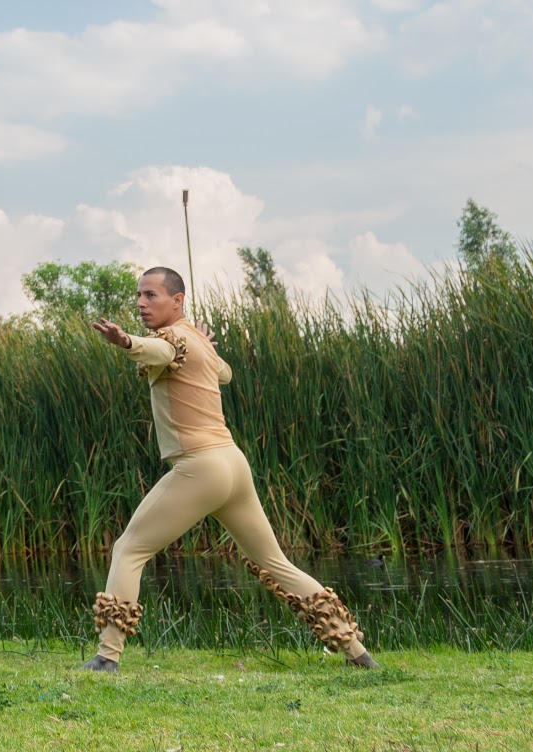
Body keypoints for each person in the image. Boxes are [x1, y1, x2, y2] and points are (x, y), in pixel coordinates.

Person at [83, 267, 375, 673]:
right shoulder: (194, 339)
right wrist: (203, 342)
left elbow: (159, 352)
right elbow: (224, 373)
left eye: (151, 295)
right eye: (139, 295)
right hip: (233, 466)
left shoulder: (172, 339)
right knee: (276, 563)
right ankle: (357, 651)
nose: (141, 302)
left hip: (201, 467)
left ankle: (106, 657)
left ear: (177, 300)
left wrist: (127, 341)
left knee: (129, 549)